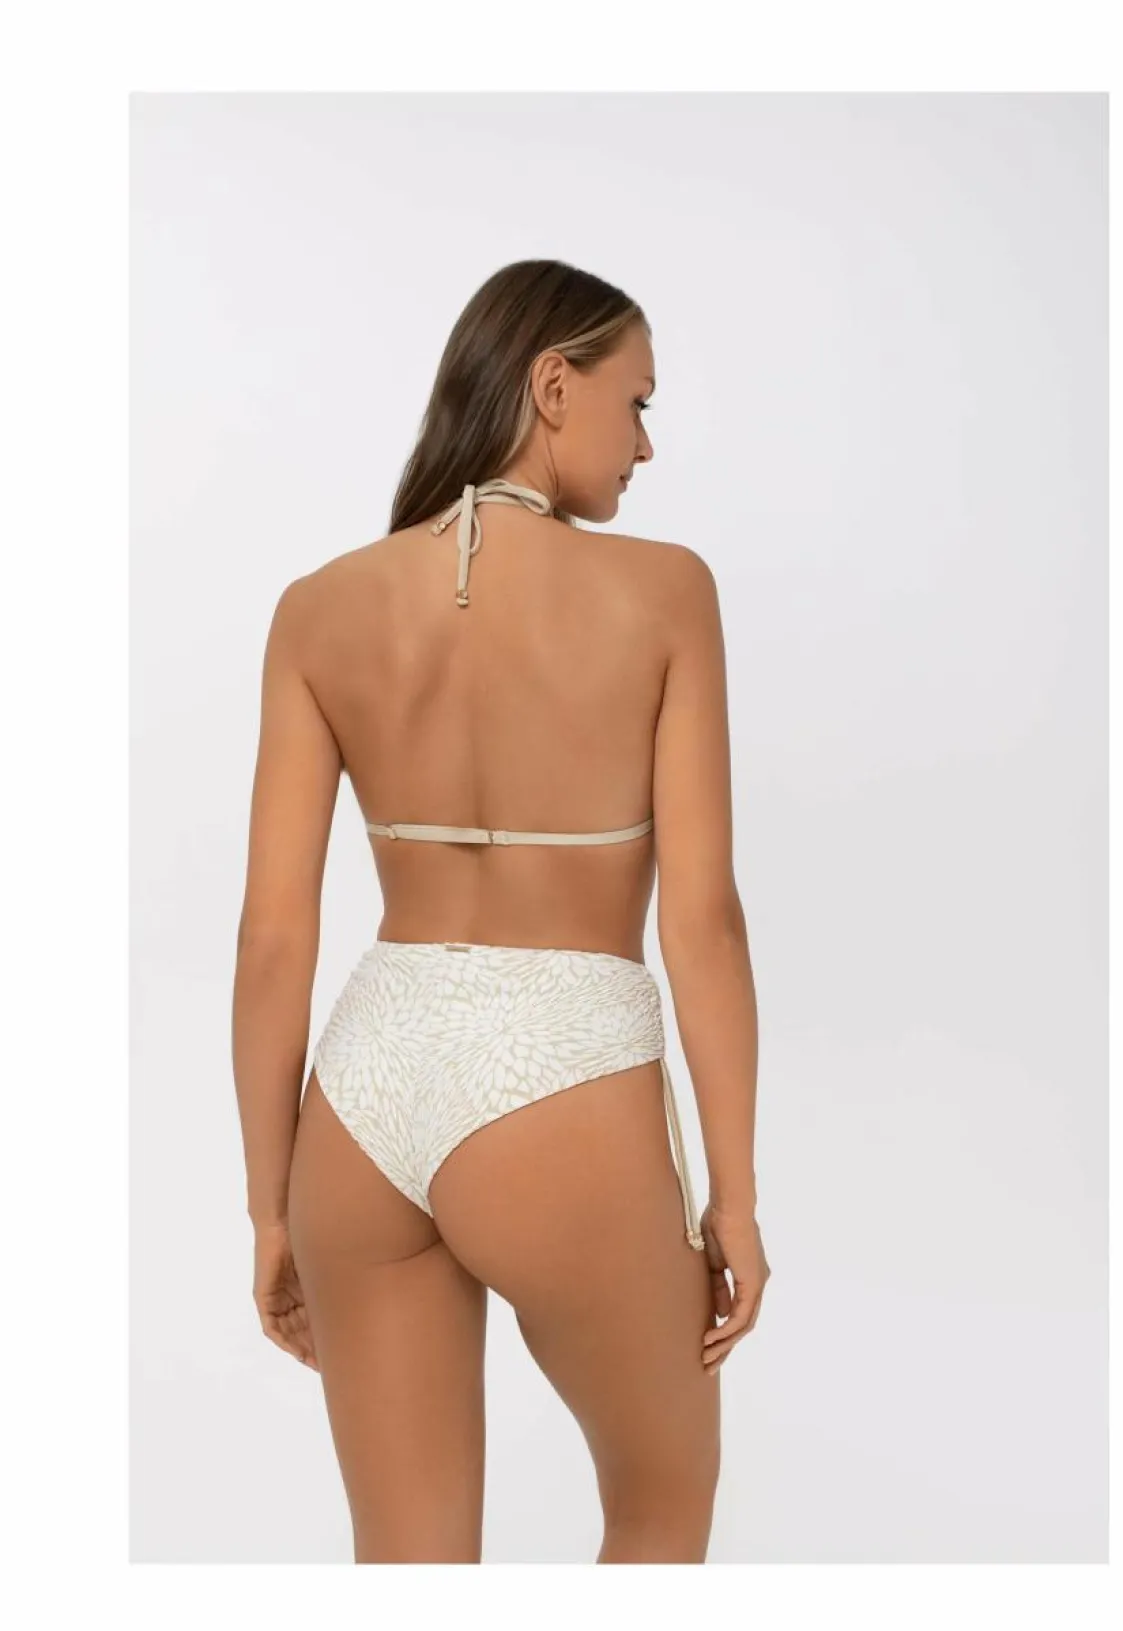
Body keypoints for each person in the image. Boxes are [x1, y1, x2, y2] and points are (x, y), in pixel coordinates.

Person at [231, 258, 768, 1564]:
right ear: (552, 385)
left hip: (364, 1095)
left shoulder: (319, 609)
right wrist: (737, 1201)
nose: (646, 444)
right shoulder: (666, 592)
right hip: (562, 1076)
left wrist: (270, 1208)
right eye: (637, 401)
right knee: (660, 1509)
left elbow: (272, 939)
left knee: (408, 1568)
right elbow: (702, 923)